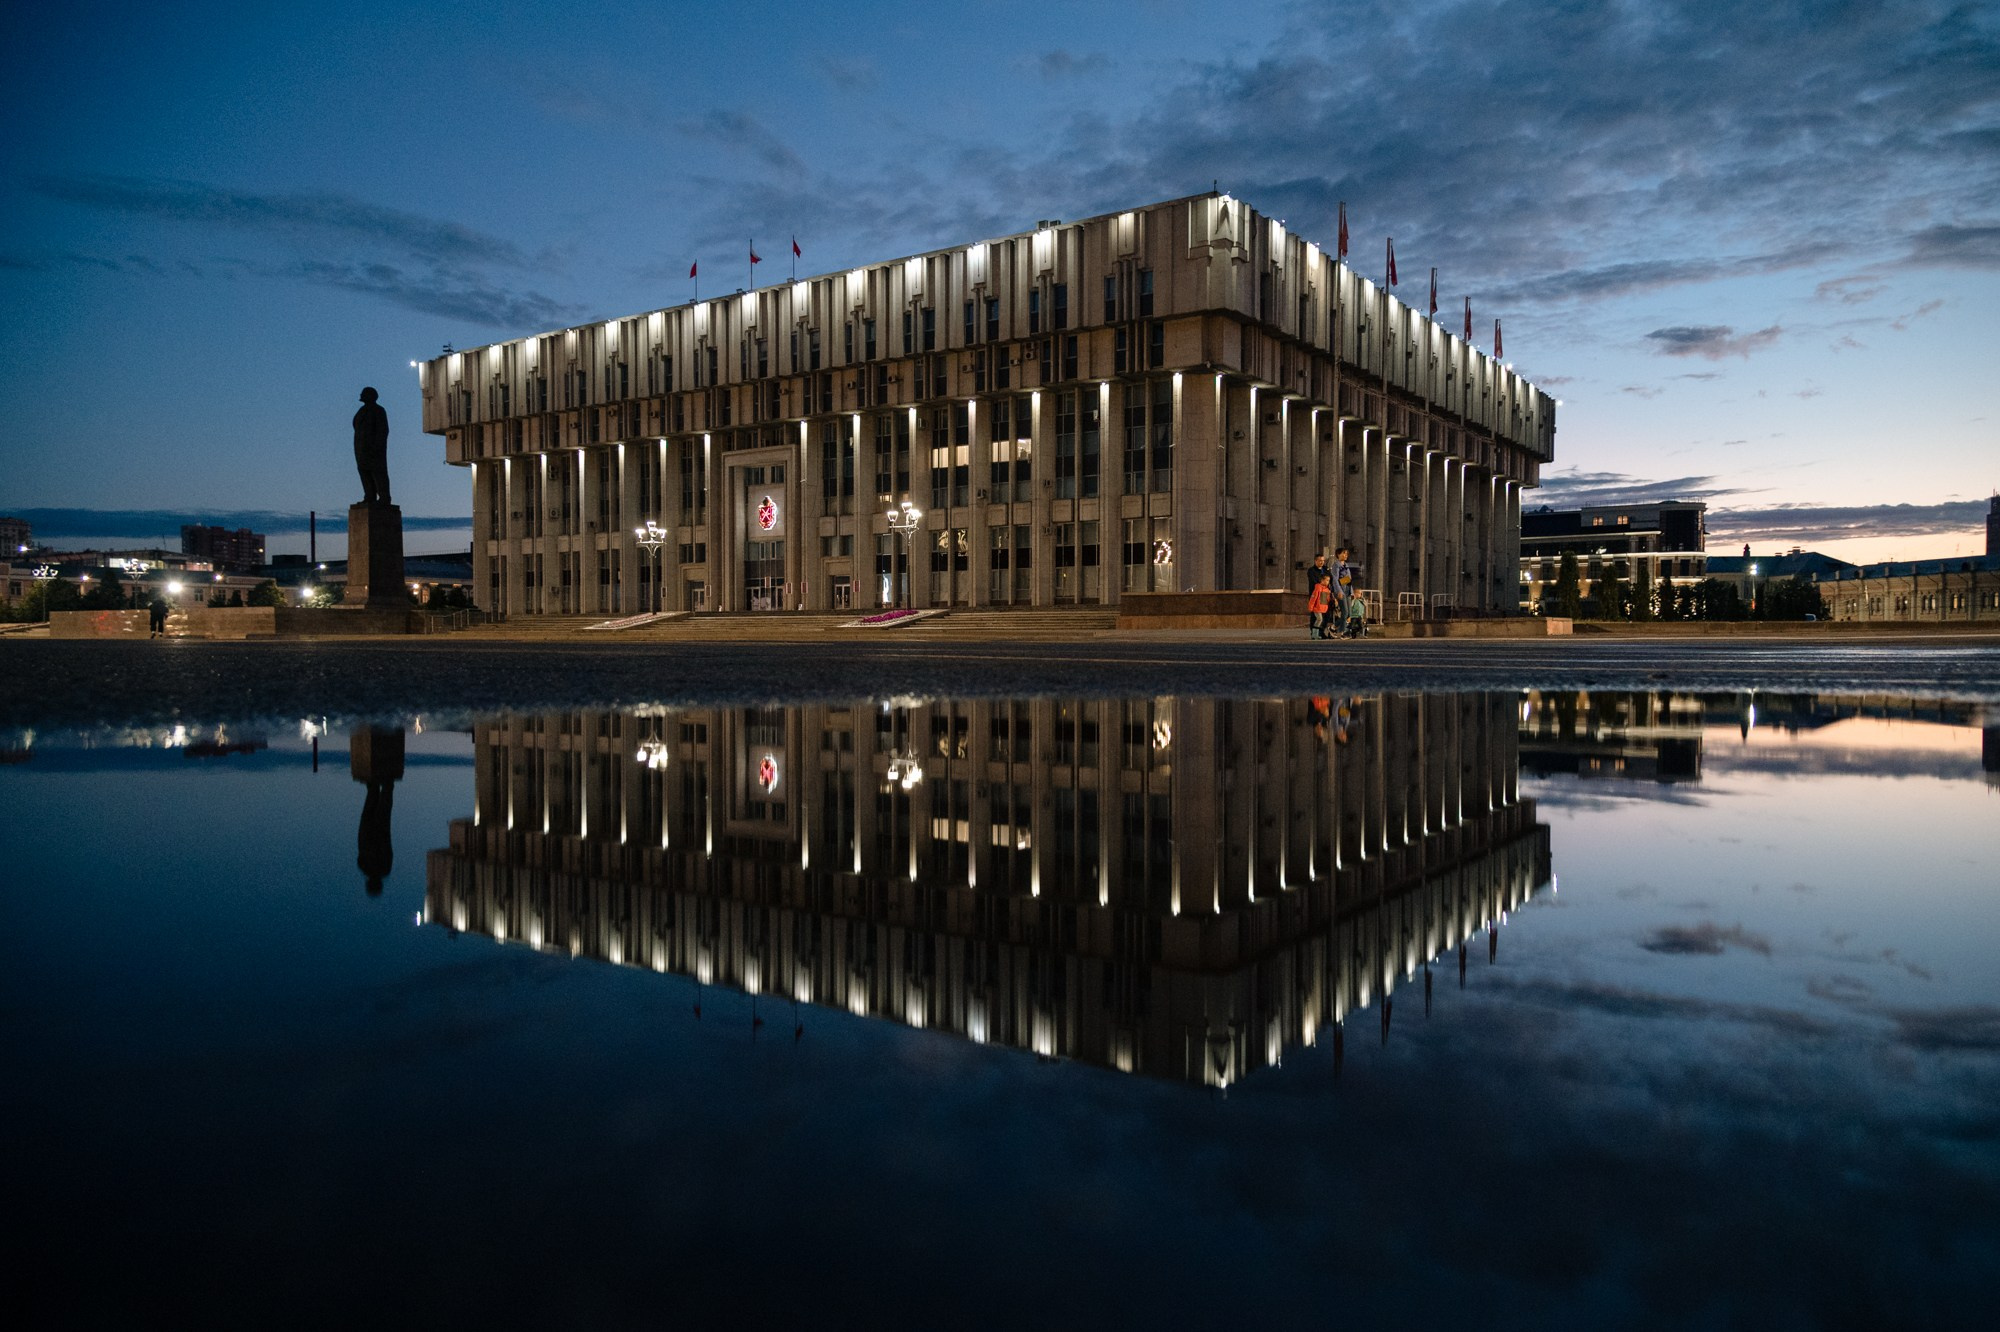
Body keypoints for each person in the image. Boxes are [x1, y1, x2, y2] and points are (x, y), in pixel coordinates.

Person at [353, 386, 391, 505]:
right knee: (364, 471)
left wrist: (377, 446)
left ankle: (384, 497)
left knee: (378, 472)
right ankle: (369, 495)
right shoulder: (361, 411)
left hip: (374, 449)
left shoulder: (379, 410)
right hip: (361, 448)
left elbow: (383, 430)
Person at [1306, 559, 1332, 639]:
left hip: (1323, 608)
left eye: (1328, 581)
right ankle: (1314, 634)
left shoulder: (1327, 589)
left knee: (1321, 620)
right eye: (1326, 580)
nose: (1328, 582)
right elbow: (1314, 597)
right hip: (1317, 608)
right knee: (1319, 620)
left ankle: (1318, 634)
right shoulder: (1318, 587)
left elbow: (1327, 600)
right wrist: (1311, 606)